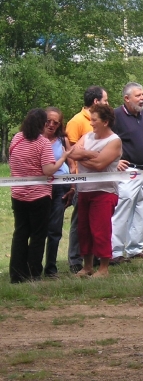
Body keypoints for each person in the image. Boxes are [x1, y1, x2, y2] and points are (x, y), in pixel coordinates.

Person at [9, 108, 73, 283]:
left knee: (20, 233)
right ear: (41, 124)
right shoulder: (42, 143)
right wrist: (63, 157)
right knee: (38, 235)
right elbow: (48, 170)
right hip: (39, 196)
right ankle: (33, 273)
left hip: (18, 194)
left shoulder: (16, 138)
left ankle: (16, 273)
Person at [70, 104, 122, 278]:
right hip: (84, 190)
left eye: (94, 120)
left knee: (100, 230)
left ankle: (104, 268)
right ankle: (87, 267)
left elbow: (101, 165)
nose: (91, 123)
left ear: (105, 122)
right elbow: (72, 153)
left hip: (105, 191)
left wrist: (84, 155)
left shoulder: (114, 141)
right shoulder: (87, 136)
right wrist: (92, 155)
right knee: (83, 230)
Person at [65, 86, 109, 273]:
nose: (108, 103)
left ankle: (97, 258)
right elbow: (72, 152)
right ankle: (76, 259)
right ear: (96, 102)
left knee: (97, 223)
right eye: (105, 100)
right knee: (79, 223)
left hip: (101, 183)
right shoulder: (76, 121)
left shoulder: (103, 122)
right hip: (80, 180)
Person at [110, 82, 143, 265]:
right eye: (138, 95)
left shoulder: (142, 114)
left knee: (140, 210)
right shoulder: (116, 115)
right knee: (122, 210)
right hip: (128, 172)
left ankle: (135, 248)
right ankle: (115, 252)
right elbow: (106, 139)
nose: (142, 98)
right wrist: (114, 161)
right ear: (126, 98)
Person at [43, 107, 76, 279]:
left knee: (55, 230)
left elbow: (71, 165)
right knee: (38, 229)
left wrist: (72, 187)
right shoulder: (35, 139)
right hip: (40, 188)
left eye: (56, 122)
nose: (51, 125)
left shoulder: (63, 140)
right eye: (48, 121)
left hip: (61, 188)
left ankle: (51, 268)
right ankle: (33, 265)